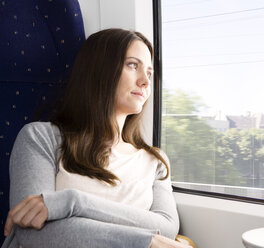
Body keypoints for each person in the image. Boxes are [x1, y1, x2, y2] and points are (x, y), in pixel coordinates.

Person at [2, 28, 190, 248]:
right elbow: (32, 232)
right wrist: (141, 241)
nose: (145, 82)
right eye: (132, 65)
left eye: (149, 72)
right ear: (99, 70)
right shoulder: (41, 138)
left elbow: (166, 227)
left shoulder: (155, 160)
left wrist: (72, 203)